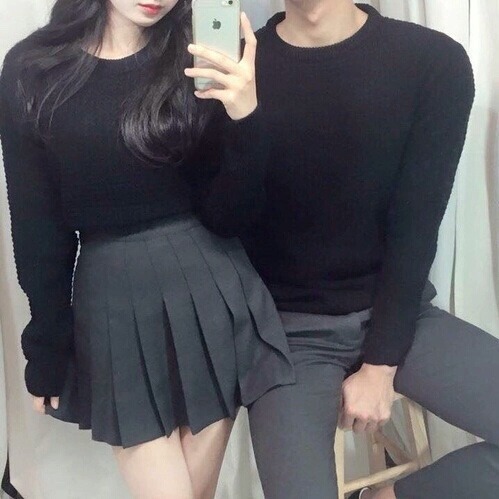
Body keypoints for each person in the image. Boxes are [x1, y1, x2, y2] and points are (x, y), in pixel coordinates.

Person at [0, 1, 295, 497]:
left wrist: (246, 119)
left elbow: (233, 215)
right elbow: (37, 227)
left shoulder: (198, 51)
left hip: (211, 290)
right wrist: (46, 347)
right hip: (113, 302)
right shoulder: (32, 69)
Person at [240, 1, 499, 498]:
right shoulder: (240, 66)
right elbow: (222, 219)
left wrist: (380, 364)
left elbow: (417, 224)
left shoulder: (431, 61)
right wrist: (237, 120)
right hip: (286, 336)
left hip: (401, 317)